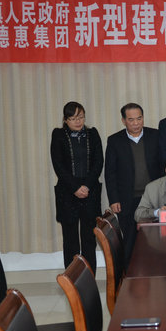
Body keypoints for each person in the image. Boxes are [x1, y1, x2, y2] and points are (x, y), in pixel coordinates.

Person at [105, 103, 163, 264]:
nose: (136, 123)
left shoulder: (155, 135)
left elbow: (162, 166)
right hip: (127, 199)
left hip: (152, 198)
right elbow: (110, 172)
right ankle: (130, 275)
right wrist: (114, 199)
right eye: (131, 120)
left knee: (155, 239)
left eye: (139, 118)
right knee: (130, 241)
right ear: (123, 121)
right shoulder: (115, 140)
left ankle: (153, 271)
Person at [50, 101, 103, 273]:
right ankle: (72, 277)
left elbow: (98, 162)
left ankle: (90, 276)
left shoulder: (92, 134)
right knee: (70, 239)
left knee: (89, 238)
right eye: (73, 118)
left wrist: (86, 186)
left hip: (90, 192)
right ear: (65, 120)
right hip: (67, 193)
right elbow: (58, 165)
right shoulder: (58, 135)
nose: (78, 121)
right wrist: (75, 187)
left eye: (80, 117)